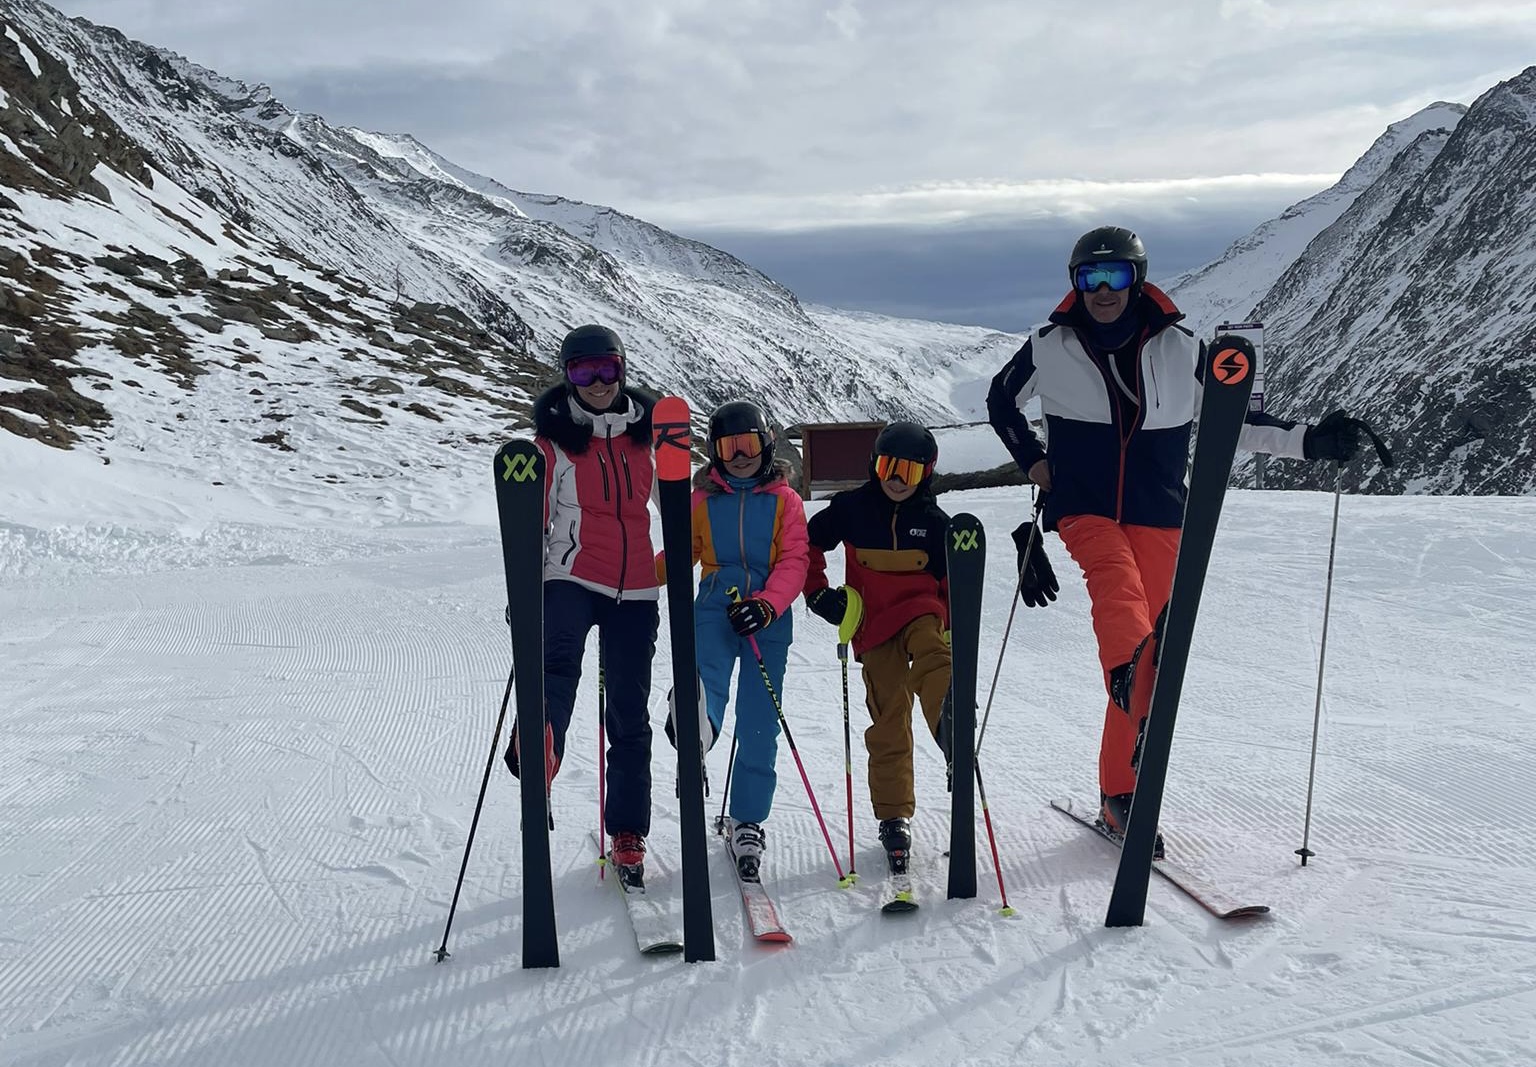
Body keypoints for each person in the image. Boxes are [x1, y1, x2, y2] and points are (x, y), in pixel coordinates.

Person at [987, 225, 1373, 841]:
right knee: (1121, 604)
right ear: (1075, 283)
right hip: (1085, 508)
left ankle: (1120, 791)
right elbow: (1001, 401)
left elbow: (1235, 420)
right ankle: (1127, 689)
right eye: (1091, 277)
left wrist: (1308, 441)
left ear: (1137, 279)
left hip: (1162, 512)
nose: (1104, 290)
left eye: (1115, 276)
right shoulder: (1048, 345)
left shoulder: (1183, 347)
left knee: (1154, 660)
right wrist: (1034, 461)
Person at [509, 324, 660, 874]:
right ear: (567, 376)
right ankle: (539, 744)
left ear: (622, 369)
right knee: (556, 667)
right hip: (569, 575)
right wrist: (524, 590)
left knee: (628, 713)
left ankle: (627, 831)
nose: (596, 382)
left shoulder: (648, 438)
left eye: (606, 369)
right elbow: (536, 519)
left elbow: (677, 509)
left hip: (637, 588)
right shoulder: (554, 447)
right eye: (581, 371)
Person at [665, 400, 809, 881]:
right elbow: (679, 552)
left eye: (748, 444)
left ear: (766, 446)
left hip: (768, 618)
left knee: (759, 720)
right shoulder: (703, 499)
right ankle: (694, 726)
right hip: (714, 607)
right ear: (715, 452)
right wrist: (626, 577)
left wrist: (768, 604)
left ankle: (748, 820)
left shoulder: (785, 500)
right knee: (707, 673)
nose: (740, 455)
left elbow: (795, 561)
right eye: (729, 446)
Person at [801, 422, 952, 876]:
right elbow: (807, 544)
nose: (898, 479)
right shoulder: (851, 509)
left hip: (922, 611)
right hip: (873, 623)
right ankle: (893, 814)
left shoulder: (935, 523)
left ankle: (950, 718)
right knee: (888, 714)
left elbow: (952, 583)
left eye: (909, 470)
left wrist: (954, 621)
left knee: (931, 650)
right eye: (889, 467)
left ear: (926, 474)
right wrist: (818, 593)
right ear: (875, 465)